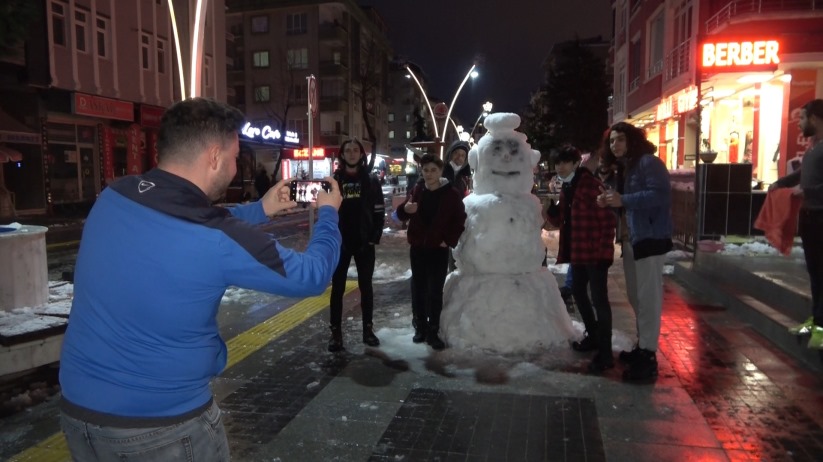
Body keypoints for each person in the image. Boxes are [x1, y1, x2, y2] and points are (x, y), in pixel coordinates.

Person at [58, 97, 343, 462]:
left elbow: (186, 218)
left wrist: (260, 210)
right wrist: (329, 215)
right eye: (234, 155)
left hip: (80, 414)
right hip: (161, 428)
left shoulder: (114, 195)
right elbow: (313, 276)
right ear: (213, 157)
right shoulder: (215, 236)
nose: (235, 164)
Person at [598, 121, 673, 383]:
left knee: (648, 298)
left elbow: (660, 195)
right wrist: (610, 202)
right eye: (611, 141)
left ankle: (648, 356)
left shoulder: (648, 163)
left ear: (632, 140)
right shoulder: (626, 168)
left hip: (650, 239)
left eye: (620, 139)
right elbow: (627, 204)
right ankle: (643, 346)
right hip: (632, 240)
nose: (615, 145)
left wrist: (624, 200)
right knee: (636, 296)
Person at [545, 145, 617, 373]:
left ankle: (605, 354)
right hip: (579, 253)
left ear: (576, 163)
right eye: (557, 163)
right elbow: (563, 220)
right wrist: (549, 209)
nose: (561, 167)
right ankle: (593, 336)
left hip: (594, 254)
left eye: (565, 162)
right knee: (578, 292)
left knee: (599, 300)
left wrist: (603, 252)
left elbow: (608, 221)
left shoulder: (590, 185)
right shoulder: (569, 186)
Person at [396, 153, 467, 350]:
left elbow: (460, 220)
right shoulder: (417, 189)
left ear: (441, 171)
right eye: (425, 170)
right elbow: (401, 212)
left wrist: (448, 240)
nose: (429, 174)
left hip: (438, 248)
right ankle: (420, 327)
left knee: (435, 289)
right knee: (418, 288)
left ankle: (433, 330)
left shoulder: (451, 194)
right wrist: (405, 210)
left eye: (433, 170)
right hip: (418, 247)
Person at [771, 99, 823, 349]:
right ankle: (816, 323)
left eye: (802, 118)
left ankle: (821, 330)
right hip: (810, 217)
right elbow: (801, 174)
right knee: (814, 274)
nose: (800, 124)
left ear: (814, 119)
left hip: (821, 216)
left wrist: (807, 192)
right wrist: (781, 183)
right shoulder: (814, 146)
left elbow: (813, 185)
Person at [328, 139, 386, 352]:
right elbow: (326, 211)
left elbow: (379, 211)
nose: (351, 154)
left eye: (355, 150)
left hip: (364, 242)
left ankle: (368, 330)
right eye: (347, 151)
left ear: (361, 154)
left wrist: (374, 237)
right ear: (342, 155)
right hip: (340, 243)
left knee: (366, 288)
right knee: (337, 289)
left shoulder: (371, 180)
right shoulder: (334, 181)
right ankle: (335, 334)